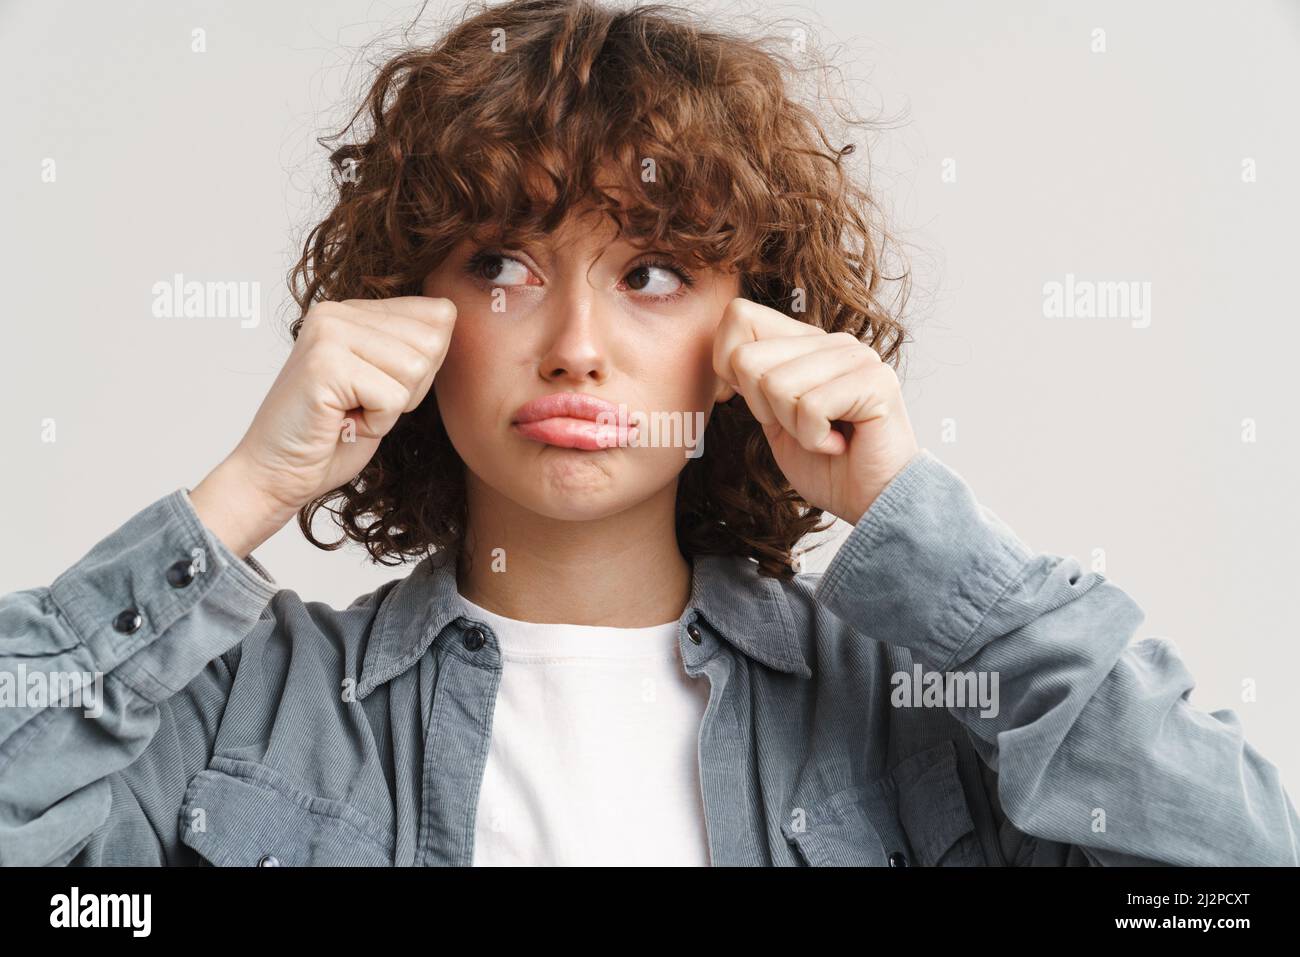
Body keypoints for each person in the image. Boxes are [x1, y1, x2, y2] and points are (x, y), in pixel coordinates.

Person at [1, 0, 1296, 867]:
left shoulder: (913, 715)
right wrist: (240, 494)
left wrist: (905, 506)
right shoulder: (240, 709)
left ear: (757, 327)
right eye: (503, 262)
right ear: (410, 306)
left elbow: (1235, 860)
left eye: (654, 272)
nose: (574, 340)